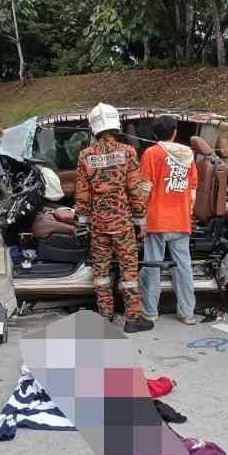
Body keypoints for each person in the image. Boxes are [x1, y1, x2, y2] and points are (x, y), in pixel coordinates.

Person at [74, 103, 154, 334]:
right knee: (128, 272)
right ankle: (133, 318)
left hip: (99, 225)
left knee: (101, 273)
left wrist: (81, 224)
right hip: (122, 224)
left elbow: (82, 194)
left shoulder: (85, 156)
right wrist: (141, 221)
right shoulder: (127, 152)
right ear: (115, 125)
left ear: (94, 129)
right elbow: (134, 191)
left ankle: (105, 316)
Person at [138, 115, 198, 326]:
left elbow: (144, 189)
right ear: (174, 131)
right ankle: (187, 313)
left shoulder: (151, 153)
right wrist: (187, 214)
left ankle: (150, 312)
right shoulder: (188, 154)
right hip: (181, 220)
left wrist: (140, 218)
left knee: (152, 267)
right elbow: (192, 190)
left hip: (157, 221)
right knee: (183, 267)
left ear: (155, 133)